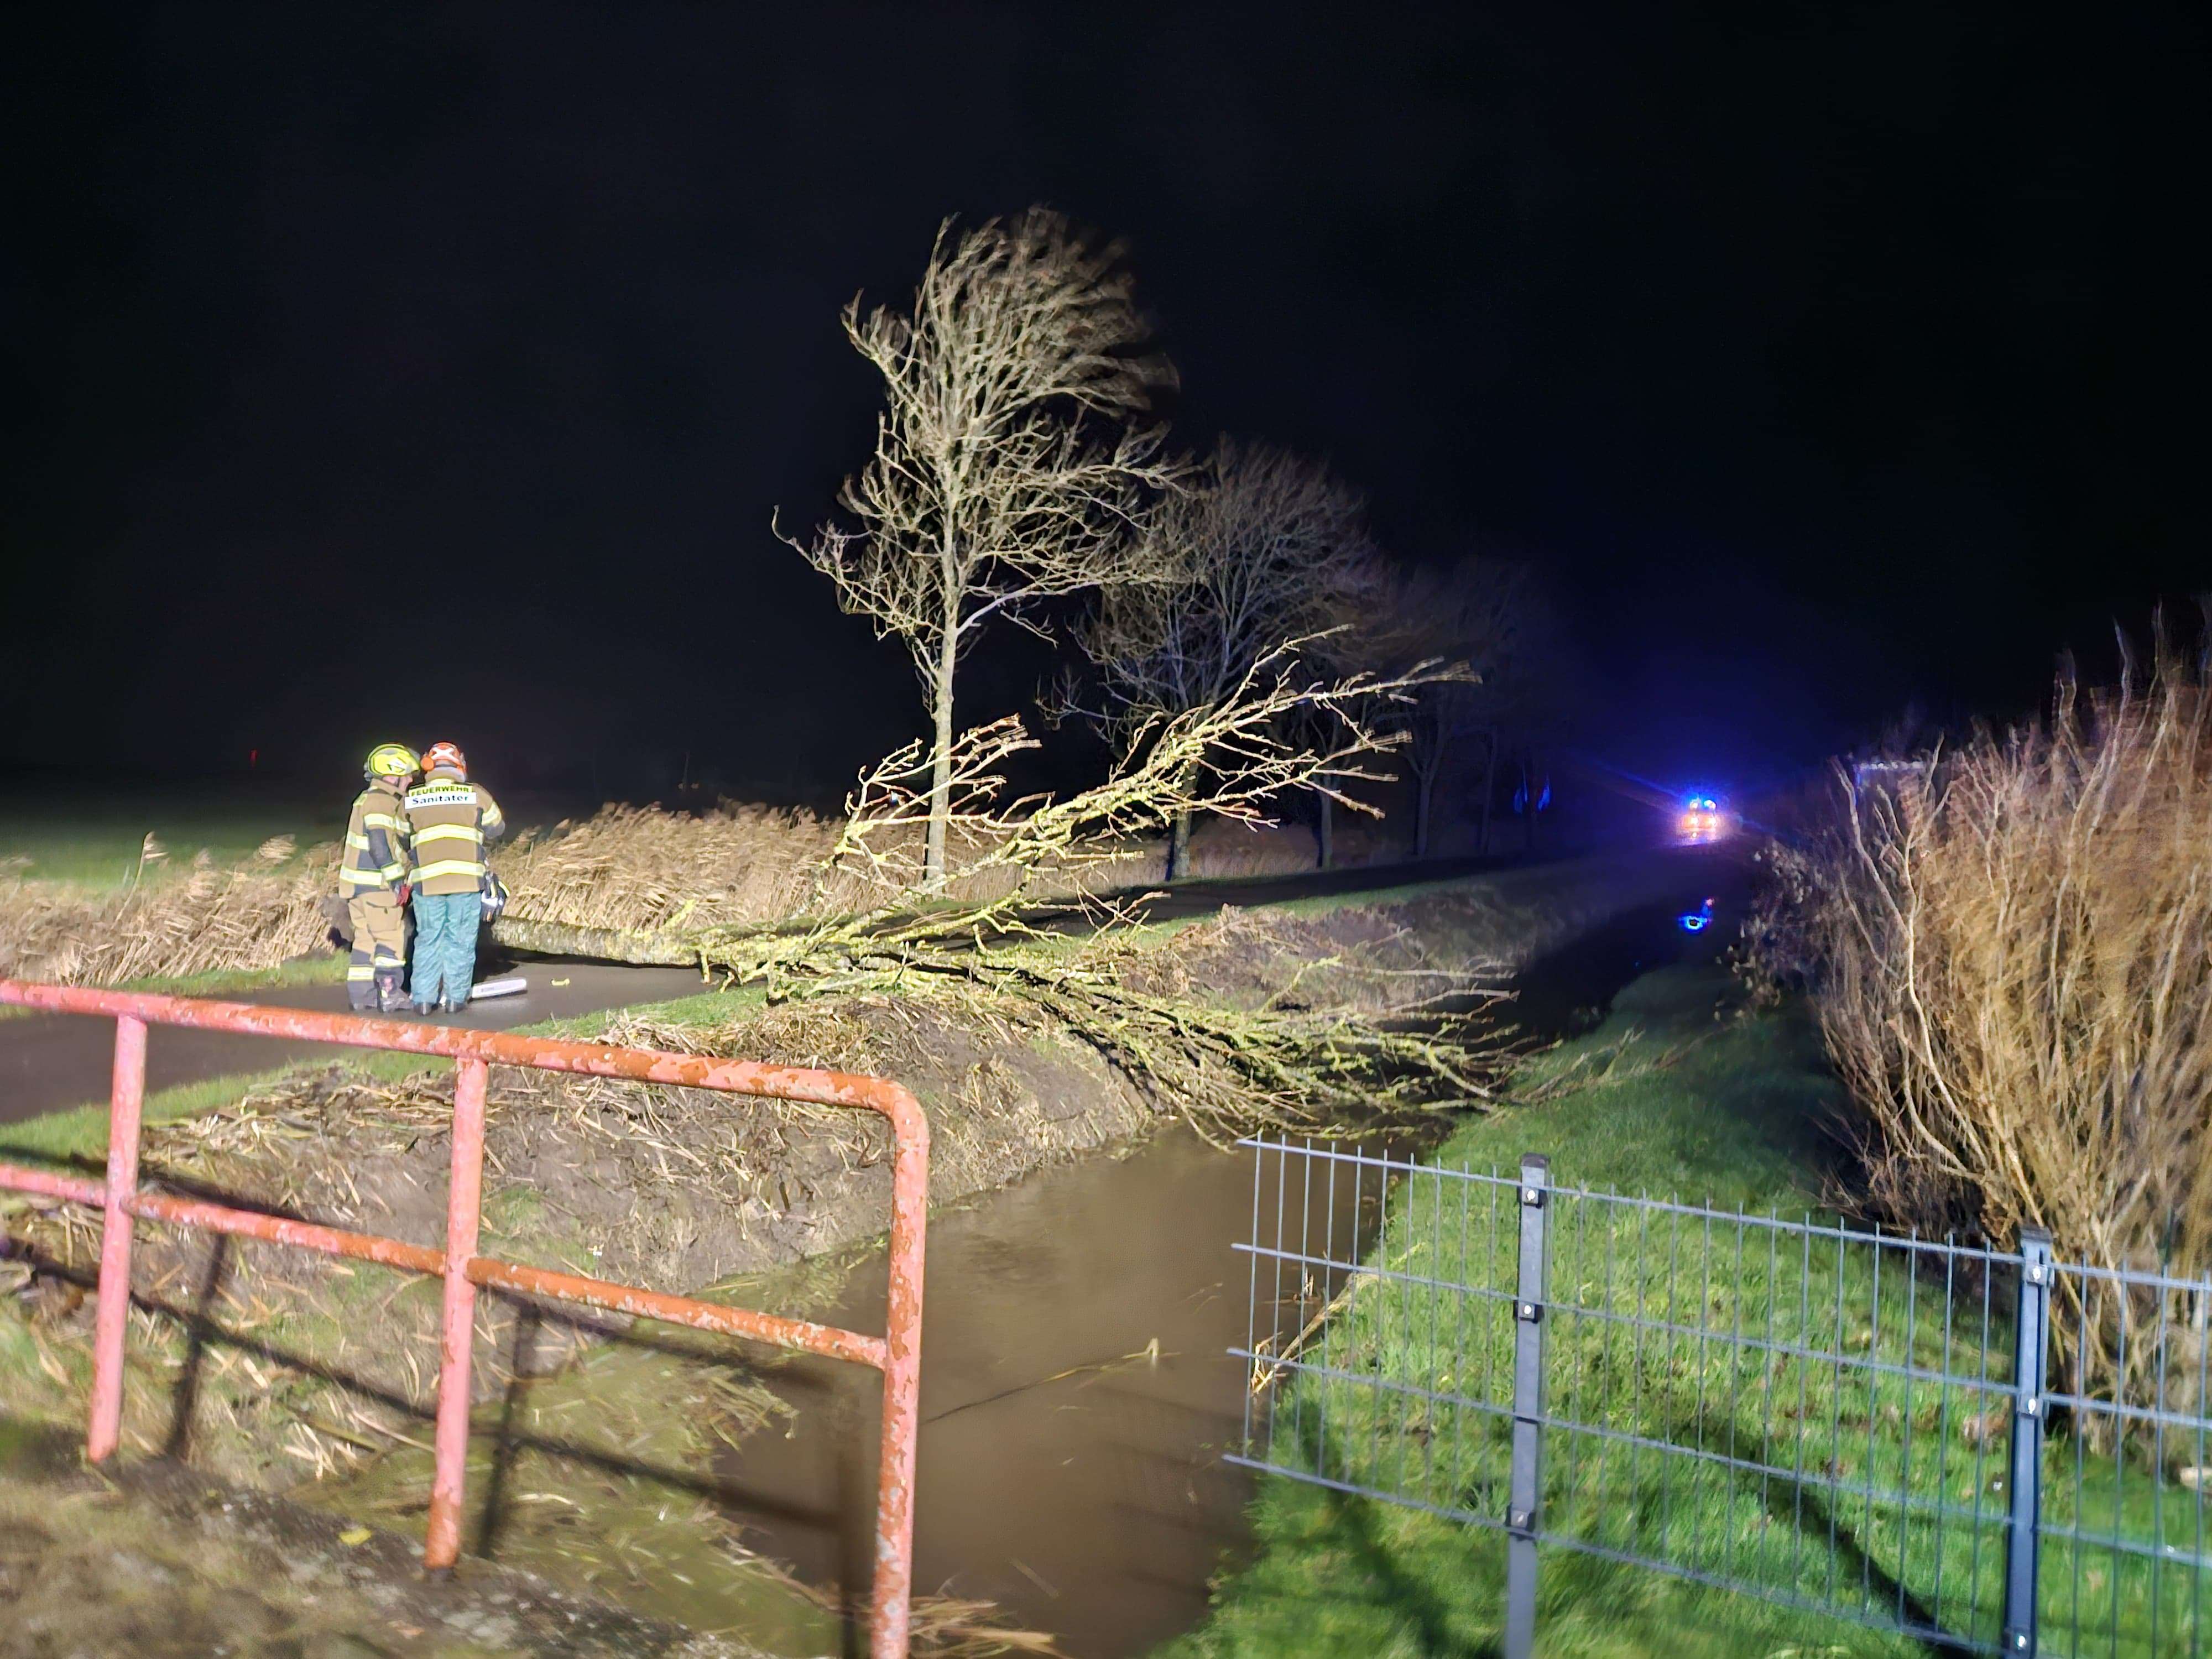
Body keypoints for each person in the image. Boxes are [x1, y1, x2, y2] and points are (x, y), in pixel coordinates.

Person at [403, 740, 505, 1014]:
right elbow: (497, 828)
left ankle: (423, 1000)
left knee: (428, 939)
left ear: (429, 767)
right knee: (460, 939)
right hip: (465, 882)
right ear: (460, 765)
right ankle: (455, 999)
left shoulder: (412, 798)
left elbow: (400, 834)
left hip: (427, 883)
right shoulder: (476, 794)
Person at [342, 744, 419, 1012]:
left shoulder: (366, 799)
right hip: (378, 887)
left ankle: (362, 996)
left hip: (357, 888)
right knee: (390, 938)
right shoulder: (382, 801)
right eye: (406, 776)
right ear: (392, 775)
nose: (409, 781)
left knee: (365, 941)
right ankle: (390, 993)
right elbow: (379, 844)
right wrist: (397, 881)